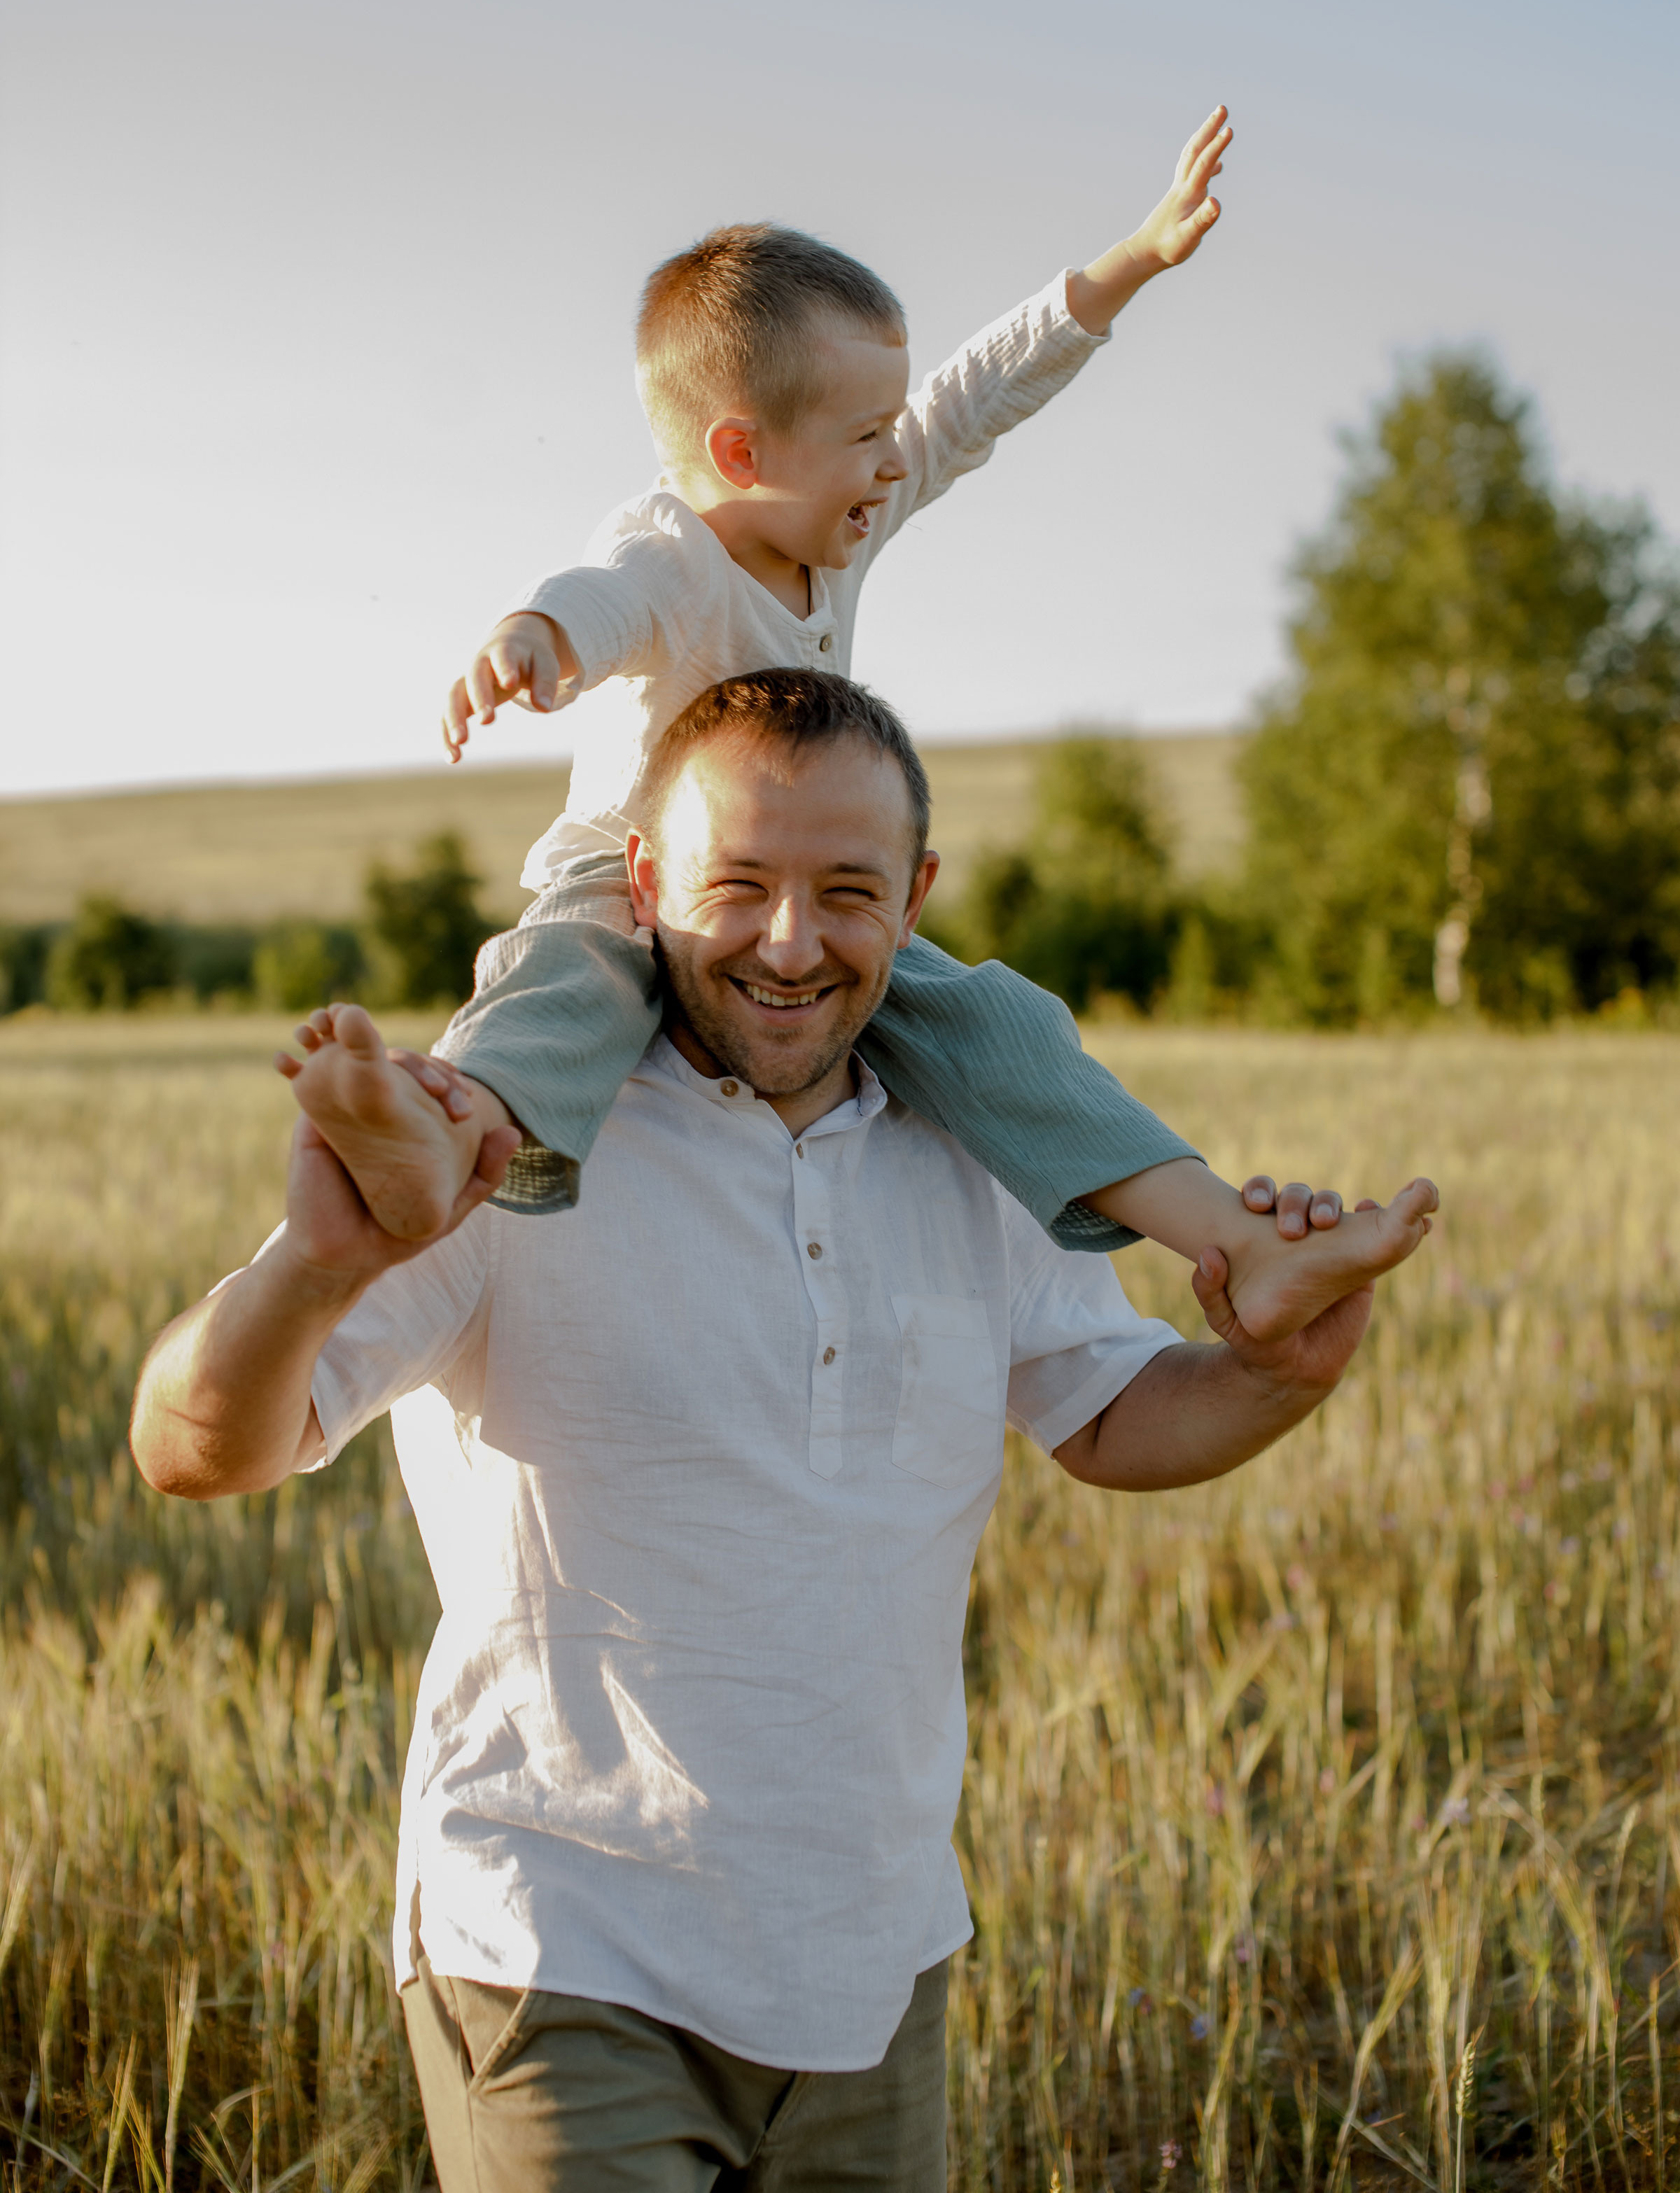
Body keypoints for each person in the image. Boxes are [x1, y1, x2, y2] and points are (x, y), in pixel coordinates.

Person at [134, 671, 1438, 2191]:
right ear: (642, 884)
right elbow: (191, 1448)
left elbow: (1108, 1415)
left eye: (848, 893)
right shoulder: (507, 1144)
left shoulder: (975, 1146)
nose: (792, 941)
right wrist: (315, 1268)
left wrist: (1282, 1375)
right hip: (564, 1951)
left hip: (873, 1962)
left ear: (918, 899)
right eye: (738, 885)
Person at [281, 107, 1390, 1347]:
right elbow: (604, 596)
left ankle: (1240, 1243)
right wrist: (536, 637)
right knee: (561, 997)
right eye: (867, 437)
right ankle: (445, 1148)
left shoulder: (837, 521)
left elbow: (975, 398)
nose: (894, 461)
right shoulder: (673, 552)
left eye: (888, 431)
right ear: (742, 451)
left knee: (998, 1027)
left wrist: (1129, 262)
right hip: (630, 879)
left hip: (800, 884)